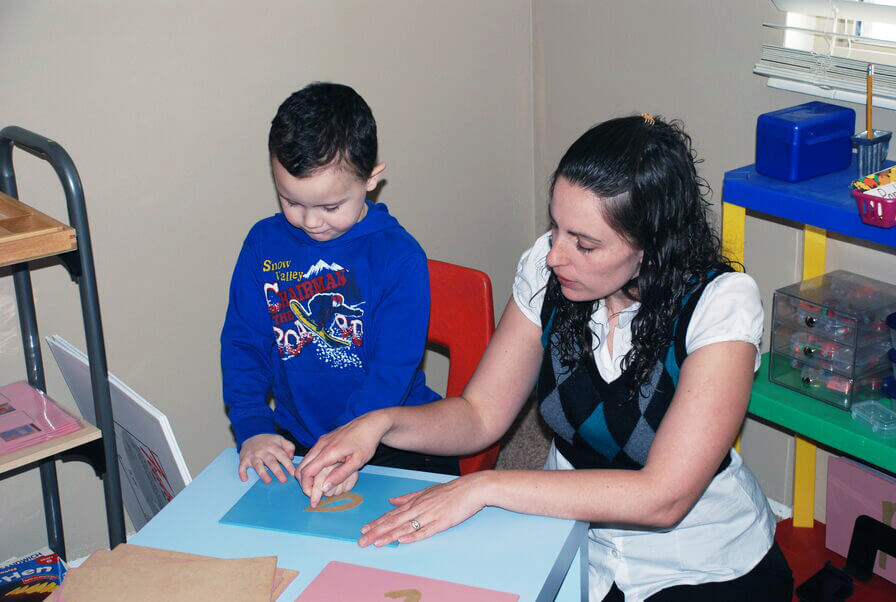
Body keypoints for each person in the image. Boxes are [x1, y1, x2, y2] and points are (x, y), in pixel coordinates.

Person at [297, 114, 794, 601]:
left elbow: (663, 497)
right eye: (556, 227)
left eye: (585, 243)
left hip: (699, 559)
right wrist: (382, 424)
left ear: (651, 247)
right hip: (568, 535)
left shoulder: (720, 304)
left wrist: (486, 487)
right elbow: (479, 414)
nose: (556, 254)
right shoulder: (546, 268)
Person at [221, 82, 458, 490]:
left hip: (389, 434)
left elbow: (392, 370)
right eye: (291, 202)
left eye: (330, 207)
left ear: (371, 179)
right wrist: (253, 424)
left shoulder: (399, 258)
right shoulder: (263, 244)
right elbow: (244, 342)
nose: (311, 222)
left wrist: (347, 446)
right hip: (299, 436)